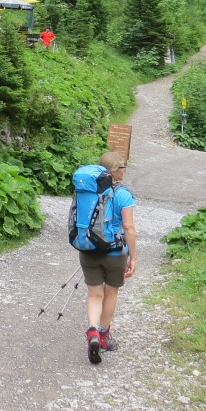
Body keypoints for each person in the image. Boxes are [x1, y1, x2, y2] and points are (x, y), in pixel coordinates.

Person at [81, 150, 136, 364]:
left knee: (94, 294)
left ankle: (92, 331)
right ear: (114, 170)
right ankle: (102, 337)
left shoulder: (87, 190)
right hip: (114, 252)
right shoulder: (123, 194)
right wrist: (134, 257)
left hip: (88, 249)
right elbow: (129, 228)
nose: (124, 170)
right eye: (122, 167)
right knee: (110, 293)